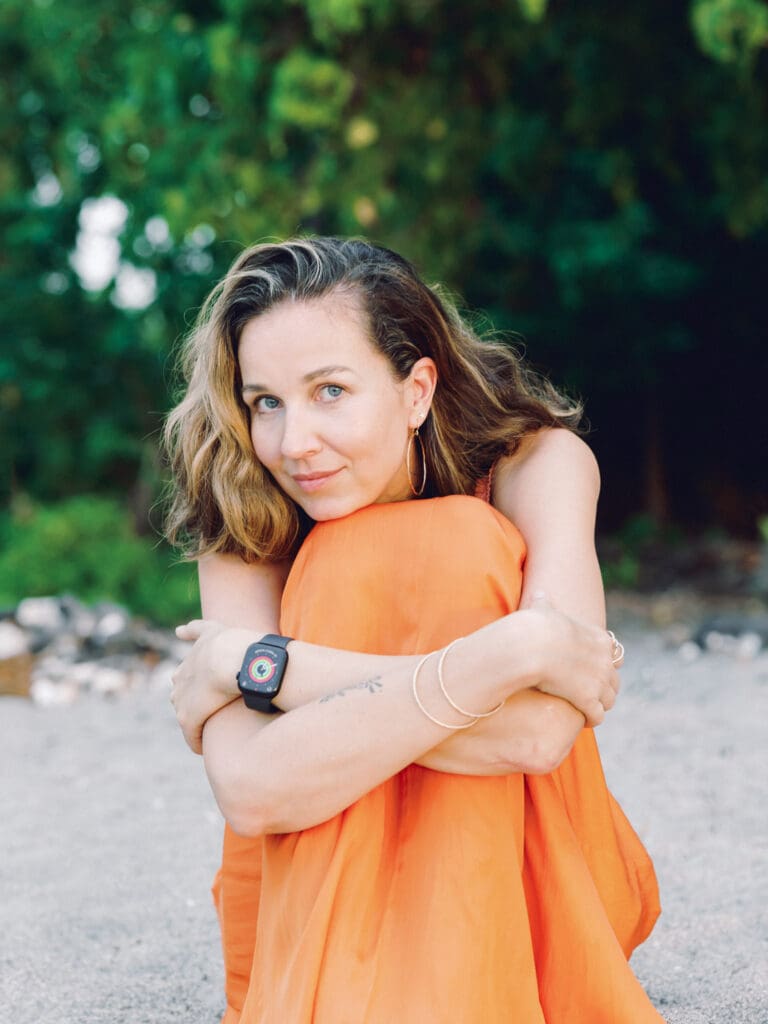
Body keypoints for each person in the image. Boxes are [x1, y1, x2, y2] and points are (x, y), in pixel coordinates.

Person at [165, 237, 663, 1023]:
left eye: (330, 390)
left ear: (417, 390)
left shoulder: (537, 466)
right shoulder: (246, 504)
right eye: (266, 401)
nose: (294, 443)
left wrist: (265, 666)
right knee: (344, 555)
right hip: (305, 927)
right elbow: (252, 791)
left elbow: (536, 734)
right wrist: (508, 654)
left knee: (458, 538)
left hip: (536, 912)